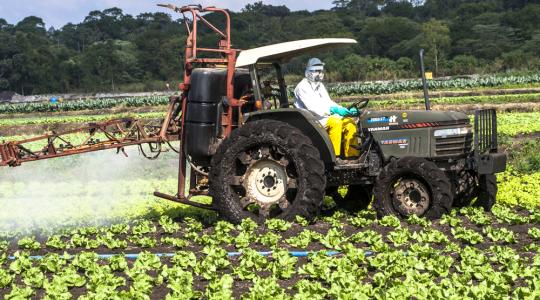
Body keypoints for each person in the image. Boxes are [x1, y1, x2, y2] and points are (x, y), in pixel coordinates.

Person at [294, 58, 360, 159]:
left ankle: (352, 157)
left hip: (324, 117)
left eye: (320, 71)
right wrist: (333, 110)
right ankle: (335, 158)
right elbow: (312, 107)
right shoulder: (302, 87)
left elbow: (328, 102)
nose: (319, 74)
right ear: (309, 71)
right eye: (316, 71)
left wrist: (344, 110)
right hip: (311, 120)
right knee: (336, 122)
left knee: (350, 123)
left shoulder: (320, 86)